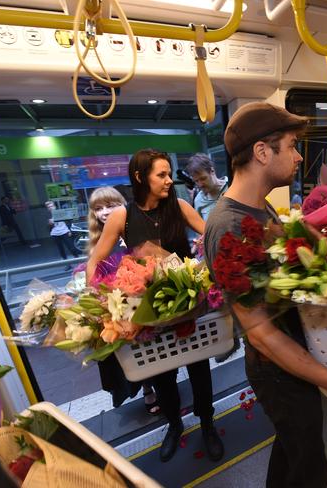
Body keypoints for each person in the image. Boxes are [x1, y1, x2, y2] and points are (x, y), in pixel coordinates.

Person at [204, 102, 327, 488]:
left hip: (290, 354)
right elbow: (261, 334)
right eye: (291, 145)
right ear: (261, 152)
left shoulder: (257, 208)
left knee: (293, 448)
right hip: (276, 368)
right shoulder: (231, 227)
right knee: (308, 467)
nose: (299, 155)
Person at [86, 149, 224, 463]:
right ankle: (174, 425)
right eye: (161, 174)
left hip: (188, 305)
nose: (169, 180)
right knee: (162, 376)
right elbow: (95, 260)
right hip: (150, 312)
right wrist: (97, 300)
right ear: (140, 177)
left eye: (168, 173)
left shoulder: (181, 206)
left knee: (199, 370)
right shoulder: (123, 216)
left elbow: (211, 237)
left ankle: (207, 423)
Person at [86, 186, 160, 415]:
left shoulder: (137, 234)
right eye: (98, 208)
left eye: (111, 205)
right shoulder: (98, 245)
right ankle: (147, 387)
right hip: (118, 304)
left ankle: (161, 383)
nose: (105, 212)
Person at [186, 153, 228, 222]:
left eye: (203, 178)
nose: (200, 185)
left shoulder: (232, 187)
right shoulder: (198, 200)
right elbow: (200, 230)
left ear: (212, 171)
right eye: (196, 181)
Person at [45, 201, 81, 269]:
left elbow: (69, 221)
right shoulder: (47, 215)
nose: (51, 208)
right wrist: (50, 224)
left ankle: (79, 262)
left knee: (71, 247)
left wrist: (69, 230)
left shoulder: (61, 212)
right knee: (61, 250)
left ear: (55, 206)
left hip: (64, 232)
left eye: (52, 206)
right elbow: (47, 227)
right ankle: (67, 264)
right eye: (49, 207)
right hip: (55, 234)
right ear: (47, 209)